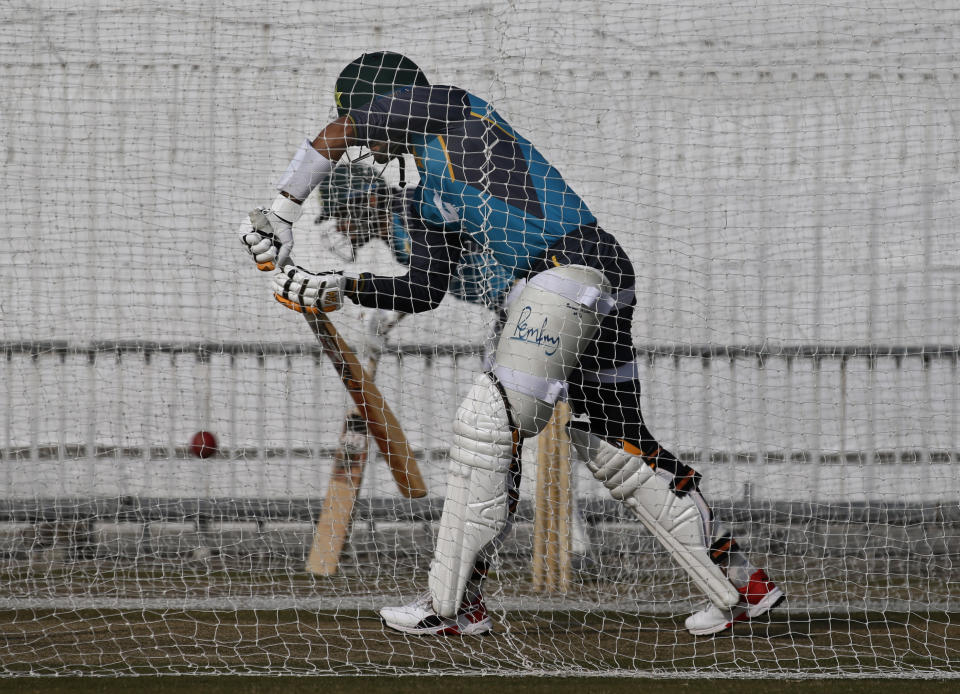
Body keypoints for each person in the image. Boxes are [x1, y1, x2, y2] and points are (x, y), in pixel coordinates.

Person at [241, 51, 784, 636]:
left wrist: (280, 210)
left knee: (487, 421)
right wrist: (337, 286)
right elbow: (425, 289)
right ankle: (742, 586)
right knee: (615, 444)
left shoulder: (450, 107)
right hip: (586, 275)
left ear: (387, 105)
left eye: (363, 125)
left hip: (565, 270)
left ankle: (451, 606)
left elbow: (338, 134)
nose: (361, 149)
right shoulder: (421, 194)